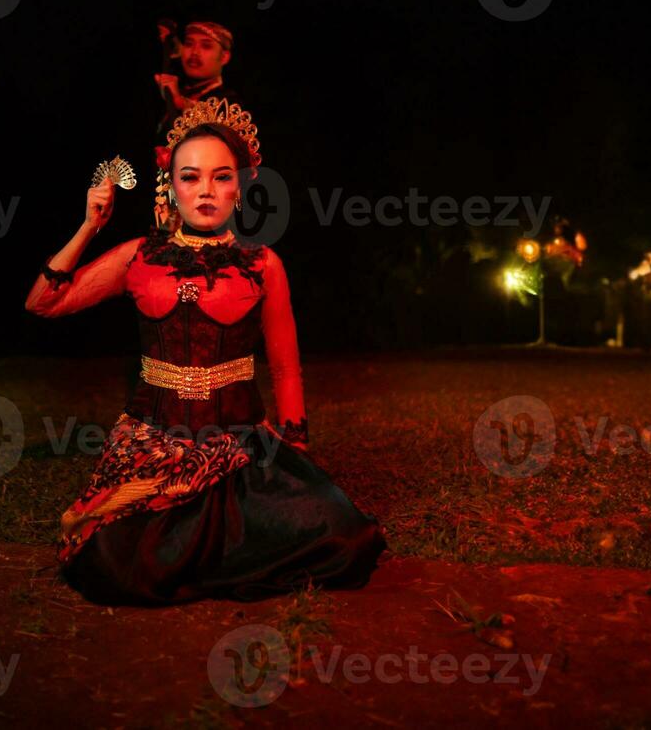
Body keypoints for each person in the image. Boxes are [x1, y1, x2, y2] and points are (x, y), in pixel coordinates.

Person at [24, 98, 386, 605]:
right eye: (191, 177)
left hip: (241, 448)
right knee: (117, 567)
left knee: (347, 539)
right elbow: (43, 302)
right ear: (170, 185)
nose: (206, 191)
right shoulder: (138, 256)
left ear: (241, 186)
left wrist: (296, 455)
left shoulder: (263, 264)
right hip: (153, 446)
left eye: (221, 177)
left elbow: (284, 366)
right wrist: (90, 226)